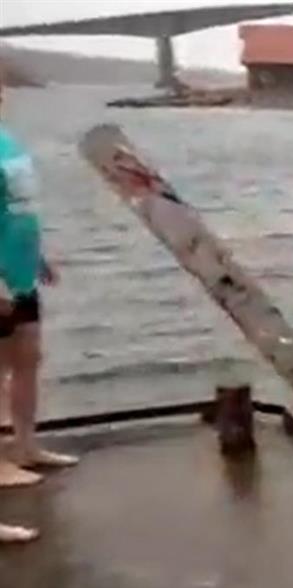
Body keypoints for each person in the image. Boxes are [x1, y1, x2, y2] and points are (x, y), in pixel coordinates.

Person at [0, 85, 74, 544]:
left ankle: (25, 446)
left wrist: (36, 256)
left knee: (28, 358)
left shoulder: (8, 142)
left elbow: (16, 210)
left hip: (20, 271)